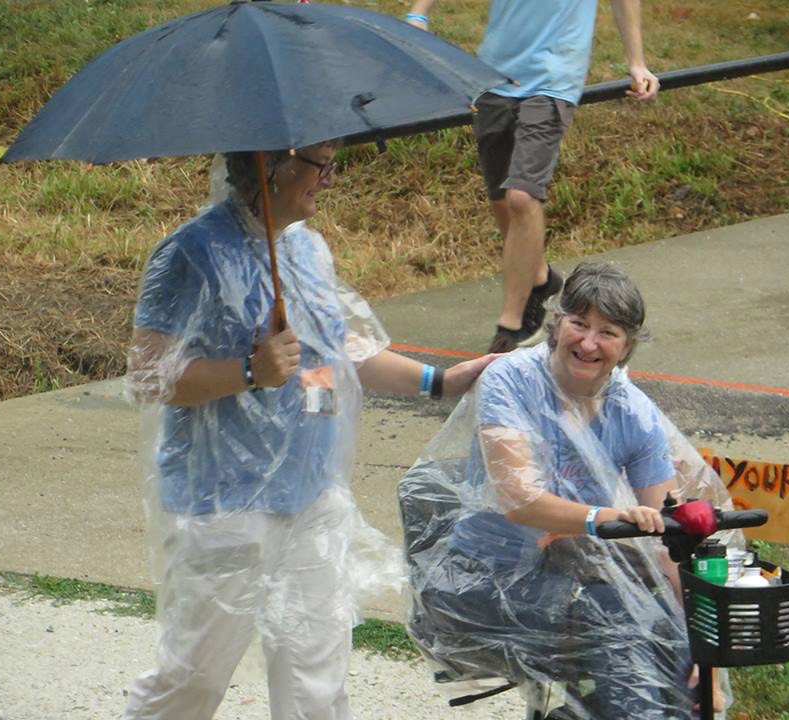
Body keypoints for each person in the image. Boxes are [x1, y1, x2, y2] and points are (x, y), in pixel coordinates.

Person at [122, 141, 495, 720]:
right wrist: (250, 371)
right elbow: (149, 376)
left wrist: (439, 383)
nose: (330, 178)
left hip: (314, 496)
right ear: (272, 165)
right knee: (192, 679)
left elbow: (339, 352)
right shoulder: (189, 253)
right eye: (321, 164)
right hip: (224, 503)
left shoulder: (306, 250)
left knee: (315, 682)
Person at [399, 262, 733, 719]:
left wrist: (702, 644)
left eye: (608, 332)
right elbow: (519, 498)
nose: (589, 343)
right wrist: (603, 518)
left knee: (669, 631)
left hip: (574, 580)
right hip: (476, 579)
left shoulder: (634, 414)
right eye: (579, 323)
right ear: (557, 324)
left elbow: (669, 537)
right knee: (617, 619)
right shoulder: (512, 380)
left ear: (628, 345)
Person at [406, 2, 660, 353]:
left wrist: (637, 62)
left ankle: (509, 327)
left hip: (553, 78)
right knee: (501, 200)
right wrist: (418, 15)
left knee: (522, 197)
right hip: (494, 74)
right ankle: (540, 279)